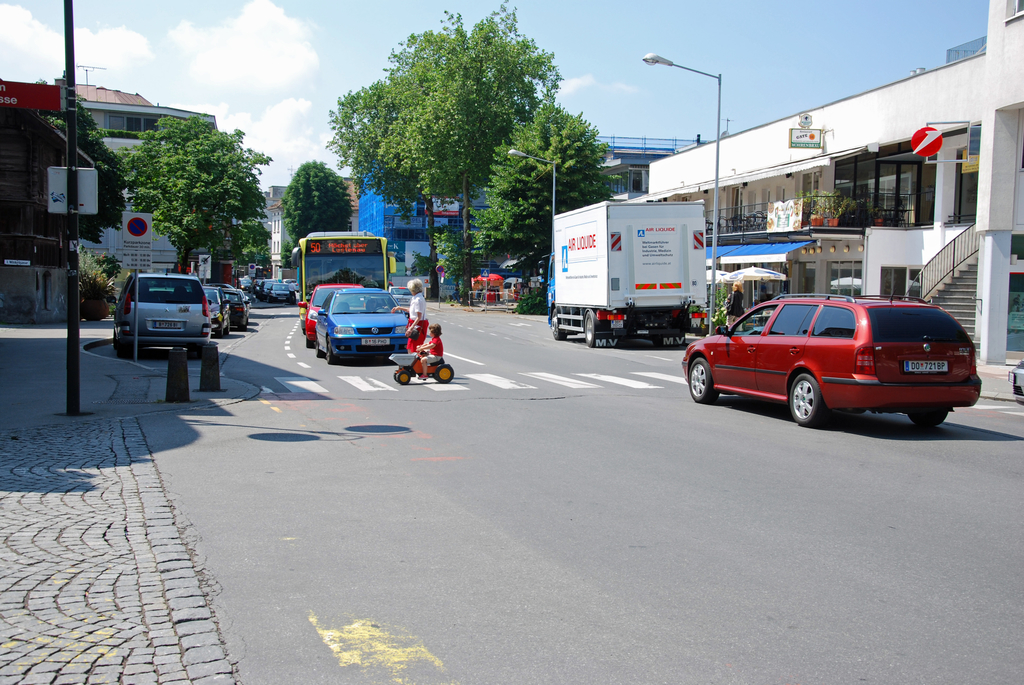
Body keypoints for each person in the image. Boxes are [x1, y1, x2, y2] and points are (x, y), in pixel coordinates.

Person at [392, 278, 428, 353]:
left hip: (418, 326)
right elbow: (411, 310)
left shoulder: (418, 299)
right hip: (414, 324)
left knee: (415, 347)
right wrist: (399, 308)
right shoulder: (415, 298)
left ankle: (416, 360)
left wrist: (411, 328)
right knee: (410, 346)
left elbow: (419, 316)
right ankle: (413, 360)